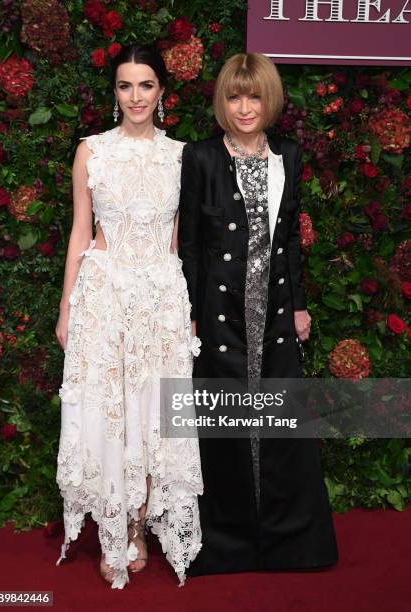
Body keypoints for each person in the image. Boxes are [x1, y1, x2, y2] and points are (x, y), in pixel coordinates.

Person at [178, 53, 338, 576]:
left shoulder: (288, 156)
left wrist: (299, 305)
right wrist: (194, 314)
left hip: (272, 311)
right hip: (221, 311)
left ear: (270, 101)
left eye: (254, 97)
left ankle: (289, 542)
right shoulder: (201, 157)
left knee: (281, 426)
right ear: (222, 102)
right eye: (234, 96)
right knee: (223, 423)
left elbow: (289, 237)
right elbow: (193, 246)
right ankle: (226, 543)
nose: (245, 108)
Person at [55, 44, 203, 590]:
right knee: (106, 413)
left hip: (161, 297)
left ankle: (138, 528)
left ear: (162, 90)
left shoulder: (182, 155)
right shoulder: (91, 152)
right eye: (125, 86)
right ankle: (110, 531)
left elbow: (178, 239)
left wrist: (184, 312)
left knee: (152, 415)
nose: (135, 96)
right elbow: (80, 232)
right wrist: (66, 304)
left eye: (145, 85)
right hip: (102, 297)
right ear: (114, 92)